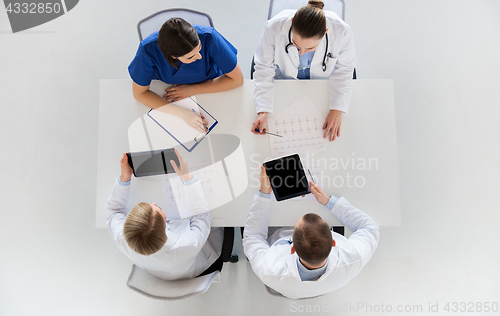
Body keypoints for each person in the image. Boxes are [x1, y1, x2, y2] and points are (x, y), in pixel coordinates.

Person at [243, 166, 379, 299]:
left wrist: (264, 193)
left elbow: (253, 237)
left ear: (292, 248)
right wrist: (329, 202)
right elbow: (369, 227)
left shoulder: (269, 268)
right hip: (321, 285)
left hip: (284, 283)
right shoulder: (354, 257)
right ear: (332, 242)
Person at [105, 149, 225, 280]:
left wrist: (124, 179)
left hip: (162, 271)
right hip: (198, 264)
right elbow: (202, 216)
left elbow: (114, 211)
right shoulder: (187, 245)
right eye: (158, 209)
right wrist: (187, 178)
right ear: (165, 226)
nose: (154, 203)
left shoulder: (122, 237)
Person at [251, 0, 355, 141]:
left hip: (322, 89)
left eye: (310, 49)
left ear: (325, 32)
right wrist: (263, 110)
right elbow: (263, 68)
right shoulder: (273, 27)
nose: (301, 53)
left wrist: (337, 108)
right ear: (292, 23)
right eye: (295, 45)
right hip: (284, 85)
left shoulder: (342, 31)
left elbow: (344, 70)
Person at [129, 17, 244, 132]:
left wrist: (192, 89)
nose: (199, 56)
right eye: (190, 57)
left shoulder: (209, 37)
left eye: (199, 48)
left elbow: (237, 80)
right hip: (168, 92)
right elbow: (140, 93)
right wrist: (182, 113)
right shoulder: (148, 50)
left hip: (213, 87)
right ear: (173, 56)